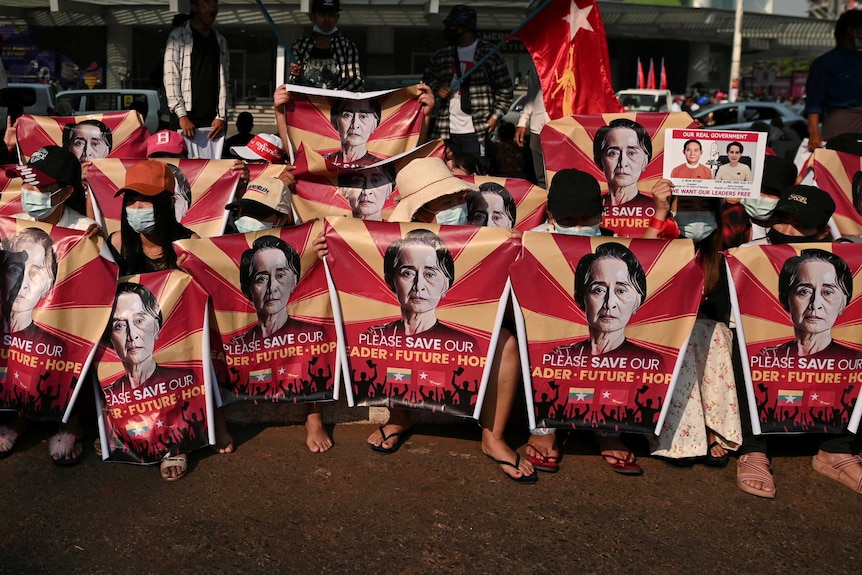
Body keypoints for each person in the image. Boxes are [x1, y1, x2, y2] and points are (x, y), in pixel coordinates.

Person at [315, 157, 536, 483]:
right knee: (386, 330)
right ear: (420, 214)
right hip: (410, 328)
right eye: (444, 201)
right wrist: (321, 250)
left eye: (456, 198)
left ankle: (492, 437)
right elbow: (350, 256)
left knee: (508, 347)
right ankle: (399, 417)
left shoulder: (488, 236)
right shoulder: (388, 240)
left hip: (470, 331)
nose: (457, 205)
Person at [732, 185, 852, 499]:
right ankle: (754, 448)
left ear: (823, 230)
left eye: (798, 225)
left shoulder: (850, 259)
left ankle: (837, 450)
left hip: (833, 351)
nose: (786, 229)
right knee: (739, 348)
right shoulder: (748, 254)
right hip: (761, 351)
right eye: (781, 218)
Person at [643, 180, 741, 467]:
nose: (696, 215)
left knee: (715, 333)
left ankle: (710, 427)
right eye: (687, 206)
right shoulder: (662, 243)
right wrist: (659, 214)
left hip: (698, 336)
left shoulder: (718, 260)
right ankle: (680, 436)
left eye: (704, 207)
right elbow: (639, 262)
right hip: (658, 332)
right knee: (686, 336)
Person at [103, 283, 198, 480]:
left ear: (156, 327)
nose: (132, 334)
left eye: (140, 320)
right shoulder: (110, 392)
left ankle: (175, 447)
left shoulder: (185, 381)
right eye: (119, 325)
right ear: (110, 337)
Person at [422, 5, 513, 160]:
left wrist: (494, 118)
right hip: (446, 128)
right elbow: (427, 79)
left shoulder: (489, 54)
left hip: (477, 129)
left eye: (453, 26)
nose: (449, 30)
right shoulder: (442, 54)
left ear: (466, 28)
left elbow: (505, 91)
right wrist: (438, 89)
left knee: (475, 175)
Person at [365, 229, 477, 346]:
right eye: (408, 273)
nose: (419, 286)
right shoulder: (375, 337)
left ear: (445, 285)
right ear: (390, 282)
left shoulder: (461, 344)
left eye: (430, 274)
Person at [757, 249, 854, 359]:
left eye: (827, 292)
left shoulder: (853, 362)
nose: (815, 304)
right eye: (805, 291)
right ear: (785, 299)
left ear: (843, 303)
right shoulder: (768, 358)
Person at [163, 0, 229, 147]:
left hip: (213, 119)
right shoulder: (178, 37)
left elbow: (225, 80)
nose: (213, 8)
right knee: (183, 165)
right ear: (194, 7)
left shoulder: (219, 40)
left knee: (212, 166)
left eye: (215, 4)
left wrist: (221, 116)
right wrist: (181, 115)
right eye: (207, 3)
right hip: (187, 115)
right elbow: (171, 76)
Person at [804, 9, 862, 151]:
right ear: (852, 31)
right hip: (842, 122)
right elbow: (813, 102)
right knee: (840, 166)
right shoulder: (825, 63)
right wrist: (814, 133)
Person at [6, 146, 98, 232]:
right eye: (26, 180)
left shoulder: (83, 231)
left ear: (66, 192)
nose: (29, 189)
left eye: (39, 184)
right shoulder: (9, 228)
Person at [288, 0, 362, 91]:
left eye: (331, 14)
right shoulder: (299, 46)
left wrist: (334, 97)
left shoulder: (347, 47)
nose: (327, 19)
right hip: (308, 103)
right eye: (322, 14)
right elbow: (293, 81)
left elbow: (355, 79)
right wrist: (296, 73)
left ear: (337, 18)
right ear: (312, 17)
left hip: (339, 103)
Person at [145, 131, 194, 222]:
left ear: (186, 157)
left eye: (172, 156)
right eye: (158, 156)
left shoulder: (199, 178)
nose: (165, 160)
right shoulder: (137, 184)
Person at [516, 61, 550, 187]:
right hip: (538, 125)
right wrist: (523, 121)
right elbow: (532, 92)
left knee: (560, 176)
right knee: (541, 179)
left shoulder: (570, 54)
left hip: (562, 124)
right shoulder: (538, 58)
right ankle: (546, 205)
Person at [225, 176, 295, 233]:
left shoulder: (297, 249)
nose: (249, 219)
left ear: (282, 220)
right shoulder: (219, 246)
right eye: (246, 211)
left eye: (258, 213)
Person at [325, 98, 382, 168]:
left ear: (374, 125)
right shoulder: (321, 162)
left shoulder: (381, 167)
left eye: (363, 116)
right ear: (335, 122)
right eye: (347, 115)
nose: (355, 125)